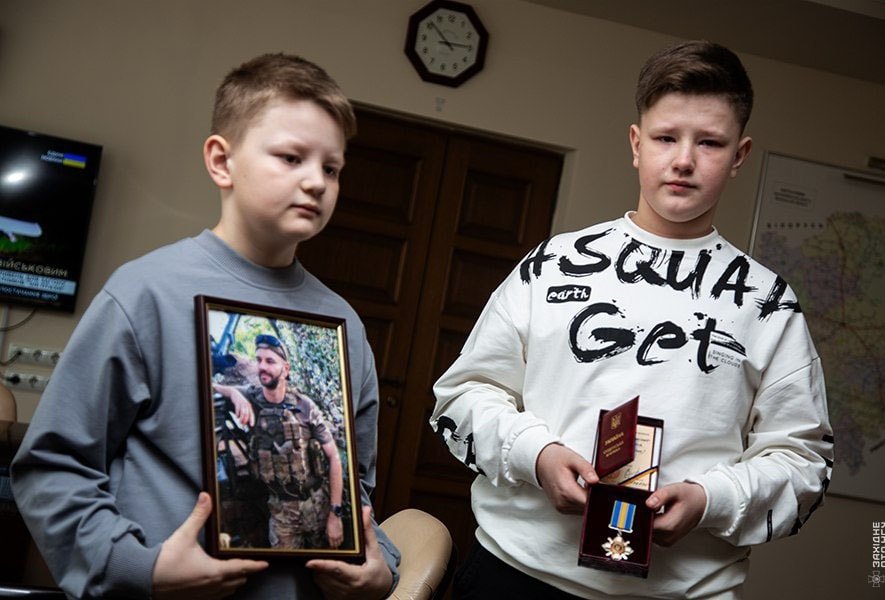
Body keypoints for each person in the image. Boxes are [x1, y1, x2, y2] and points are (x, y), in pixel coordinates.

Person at [432, 40, 833, 599]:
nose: (684, 160)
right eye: (666, 138)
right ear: (636, 144)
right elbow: (462, 397)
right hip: (514, 577)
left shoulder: (769, 305)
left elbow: (804, 463)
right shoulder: (552, 265)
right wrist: (537, 455)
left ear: (739, 155)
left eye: (709, 142)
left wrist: (711, 499)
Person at [12, 53, 398, 599]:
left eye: (331, 168)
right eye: (291, 158)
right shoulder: (145, 292)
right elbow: (54, 466)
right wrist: (136, 567)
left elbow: (358, 492)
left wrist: (383, 570)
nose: (316, 182)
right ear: (222, 162)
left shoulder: (346, 326)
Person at [214, 333, 345, 550]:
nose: (262, 367)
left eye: (270, 361)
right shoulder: (252, 396)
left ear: (285, 369)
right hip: (281, 514)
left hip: (317, 507)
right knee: (284, 569)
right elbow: (210, 386)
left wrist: (335, 514)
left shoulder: (305, 407)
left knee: (325, 566)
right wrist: (234, 395)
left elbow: (334, 458)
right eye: (259, 360)